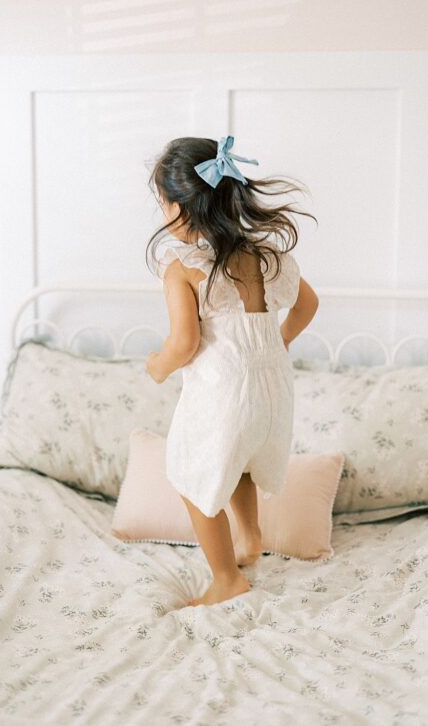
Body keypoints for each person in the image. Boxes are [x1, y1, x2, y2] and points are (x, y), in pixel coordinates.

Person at [144, 136, 319, 606]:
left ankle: (226, 577)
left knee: (193, 474)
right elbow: (308, 305)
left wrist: (158, 366)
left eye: (162, 203)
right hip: (272, 389)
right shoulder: (267, 256)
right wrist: (274, 343)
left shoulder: (182, 267)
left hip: (222, 393)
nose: (162, 214)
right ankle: (249, 537)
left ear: (182, 207)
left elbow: (185, 343)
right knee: (239, 460)